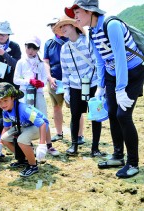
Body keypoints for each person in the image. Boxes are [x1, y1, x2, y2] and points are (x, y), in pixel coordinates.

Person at [65, 0, 144, 178]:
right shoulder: (92, 32)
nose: (75, 16)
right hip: (111, 73)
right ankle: (117, 155)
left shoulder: (112, 25)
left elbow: (121, 58)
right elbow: (101, 60)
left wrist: (121, 88)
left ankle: (133, 163)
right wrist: (101, 86)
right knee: (112, 112)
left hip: (132, 71)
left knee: (123, 115)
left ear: (90, 12)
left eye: (78, 11)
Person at [53, 15, 103, 156]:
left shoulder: (87, 42)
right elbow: (65, 72)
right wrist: (67, 90)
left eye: (65, 25)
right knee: (75, 115)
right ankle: (74, 145)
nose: (63, 29)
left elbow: (97, 64)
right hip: (75, 86)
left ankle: (95, 148)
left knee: (95, 115)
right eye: (60, 27)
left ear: (73, 26)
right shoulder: (64, 48)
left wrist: (100, 86)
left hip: (92, 84)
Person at [0, 82, 51, 177]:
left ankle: (33, 165)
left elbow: (42, 123)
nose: (2, 104)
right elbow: (6, 127)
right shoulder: (5, 111)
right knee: (4, 138)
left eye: (5, 100)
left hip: (39, 127)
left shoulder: (24, 109)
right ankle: (24, 159)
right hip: (24, 126)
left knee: (21, 140)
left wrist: (42, 144)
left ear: (13, 98)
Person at [13, 35, 59, 156]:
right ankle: (28, 145)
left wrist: (41, 83)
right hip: (24, 95)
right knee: (26, 119)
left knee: (44, 118)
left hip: (38, 94)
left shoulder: (41, 63)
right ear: (25, 47)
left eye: (34, 48)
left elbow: (44, 78)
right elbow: (16, 80)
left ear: (38, 49)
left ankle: (48, 145)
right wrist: (29, 81)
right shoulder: (21, 62)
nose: (31, 50)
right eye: (29, 47)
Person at [44, 18, 85, 144]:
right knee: (56, 107)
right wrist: (49, 77)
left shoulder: (71, 38)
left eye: (55, 24)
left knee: (76, 108)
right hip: (55, 81)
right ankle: (59, 133)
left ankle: (79, 135)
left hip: (73, 80)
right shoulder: (49, 43)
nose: (53, 27)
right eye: (51, 25)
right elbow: (46, 62)